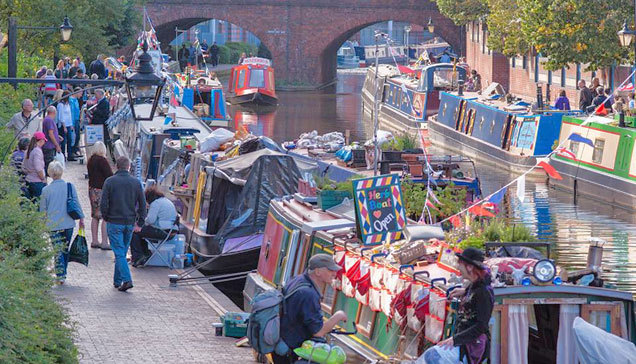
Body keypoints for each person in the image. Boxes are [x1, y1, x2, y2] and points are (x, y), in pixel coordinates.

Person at [417, 247, 494, 364]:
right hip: (463, 340)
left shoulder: (483, 293)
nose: (458, 268)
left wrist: (455, 339)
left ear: (469, 267)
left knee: (433, 355)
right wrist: (464, 291)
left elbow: (481, 326)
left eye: (460, 264)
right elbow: (474, 289)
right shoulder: (475, 285)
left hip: (472, 345)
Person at [273, 254, 348, 364]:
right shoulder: (309, 294)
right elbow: (318, 332)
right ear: (318, 272)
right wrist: (338, 315)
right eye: (330, 270)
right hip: (291, 350)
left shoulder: (297, 280)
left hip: (281, 342)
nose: (334, 274)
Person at [100, 156, 147, 292]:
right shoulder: (136, 183)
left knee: (119, 253)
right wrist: (140, 222)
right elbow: (143, 205)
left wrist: (106, 216)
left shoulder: (109, 182)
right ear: (128, 167)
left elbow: (104, 203)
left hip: (114, 222)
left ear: (116, 166)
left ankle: (127, 280)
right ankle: (117, 280)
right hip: (129, 223)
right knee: (122, 251)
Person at [40, 161, 85, 284]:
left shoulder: (46, 190)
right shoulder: (70, 186)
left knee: (57, 249)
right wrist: (81, 219)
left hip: (53, 225)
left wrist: (40, 224)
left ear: (50, 172)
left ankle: (60, 274)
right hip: (68, 223)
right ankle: (63, 272)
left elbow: (42, 210)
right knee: (65, 248)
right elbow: (76, 203)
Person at [130, 185, 178, 267]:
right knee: (142, 232)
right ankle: (145, 254)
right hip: (171, 231)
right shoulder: (165, 200)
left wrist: (139, 224)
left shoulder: (156, 203)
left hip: (163, 231)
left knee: (135, 231)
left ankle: (139, 256)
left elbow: (150, 220)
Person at [86, 141, 113, 249]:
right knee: (105, 216)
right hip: (102, 191)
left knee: (95, 216)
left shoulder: (90, 160)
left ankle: (94, 240)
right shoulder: (102, 161)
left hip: (92, 190)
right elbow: (109, 175)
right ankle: (104, 242)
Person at [22, 132, 48, 200]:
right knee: (39, 203)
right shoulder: (37, 151)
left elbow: (23, 166)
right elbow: (38, 168)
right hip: (37, 182)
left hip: (28, 180)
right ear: (41, 140)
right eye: (44, 141)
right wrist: (43, 179)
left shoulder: (29, 150)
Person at [41, 106, 62, 175]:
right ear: (54, 112)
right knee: (49, 166)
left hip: (49, 145)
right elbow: (50, 134)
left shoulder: (47, 119)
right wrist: (57, 145)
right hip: (49, 146)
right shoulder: (49, 120)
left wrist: (57, 136)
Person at [57, 90, 74, 159]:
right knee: (63, 141)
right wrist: (64, 126)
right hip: (63, 125)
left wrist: (71, 125)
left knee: (70, 139)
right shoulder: (61, 105)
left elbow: (69, 115)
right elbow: (61, 116)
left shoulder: (68, 104)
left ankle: (69, 154)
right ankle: (63, 154)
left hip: (69, 124)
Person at [69, 88, 82, 158]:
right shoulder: (71, 101)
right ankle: (72, 151)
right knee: (74, 137)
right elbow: (72, 113)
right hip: (74, 121)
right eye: (80, 93)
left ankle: (75, 150)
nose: (81, 95)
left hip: (77, 120)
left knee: (78, 136)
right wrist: (72, 124)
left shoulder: (76, 100)